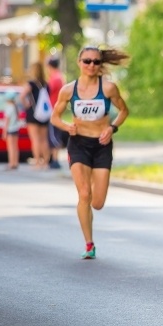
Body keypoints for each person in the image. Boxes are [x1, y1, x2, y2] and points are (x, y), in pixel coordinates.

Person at [50, 46, 130, 259]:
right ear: (79, 62)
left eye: (95, 62)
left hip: (102, 146)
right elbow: (54, 117)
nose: (91, 65)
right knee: (84, 194)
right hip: (78, 145)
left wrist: (111, 128)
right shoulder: (68, 90)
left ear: (100, 64)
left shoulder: (109, 88)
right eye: (87, 61)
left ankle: (93, 195)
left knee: (98, 203)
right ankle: (89, 244)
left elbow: (124, 110)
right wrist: (68, 127)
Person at [19, 61, 51, 169]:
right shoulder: (46, 84)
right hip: (44, 113)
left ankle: (37, 162)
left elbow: (22, 96)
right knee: (44, 139)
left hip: (33, 113)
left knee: (35, 139)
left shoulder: (31, 84)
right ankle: (46, 162)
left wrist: (26, 105)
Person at [46, 55, 67, 169]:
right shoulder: (60, 77)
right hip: (57, 109)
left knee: (53, 134)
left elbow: (47, 92)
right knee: (53, 133)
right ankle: (52, 158)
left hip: (53, 109)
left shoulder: (55, 78)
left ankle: (54, 159)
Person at [2, 91, 21, 170]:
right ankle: (15, 163)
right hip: (16, 129)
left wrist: (4, 132)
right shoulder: (15, 107)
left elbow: (7, 121)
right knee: (15, 147)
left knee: (10, 148)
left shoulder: (8, 107)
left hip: (10, 129)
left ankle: (11, 163)